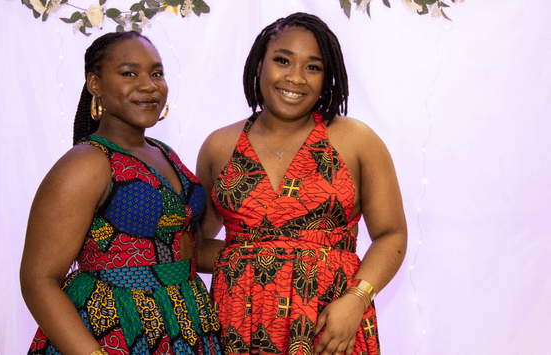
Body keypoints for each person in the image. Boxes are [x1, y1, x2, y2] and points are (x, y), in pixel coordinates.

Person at [196, 12, 407, 355]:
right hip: (237, 321)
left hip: (330, 324)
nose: (295, 78)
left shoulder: (357, 140)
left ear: (328, 76)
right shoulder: (219, 146)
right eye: (282, 61)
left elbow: (392, 234)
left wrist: (356, 298)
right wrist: (254, 255)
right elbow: (197, 244)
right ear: (259, 65)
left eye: (313, 67)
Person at [20, 31, 221, 355]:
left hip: (187, 323)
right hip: (116, 329)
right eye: (130, 73)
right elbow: (38, 279)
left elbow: (189, 248)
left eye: (156, 73)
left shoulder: (162, 151)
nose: (149, 85)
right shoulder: (87, 163)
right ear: (95, 84)